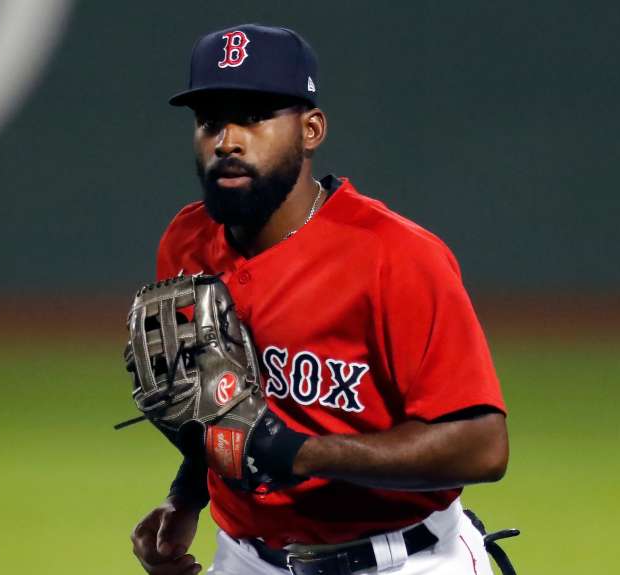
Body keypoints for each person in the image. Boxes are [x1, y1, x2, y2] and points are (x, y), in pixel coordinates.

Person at [131, 24, 509, 575]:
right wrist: (185, 496)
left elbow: (483, 447)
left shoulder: (396, 256)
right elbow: (221, 415)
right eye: (211, 121)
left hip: (403, 561)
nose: (228, 140)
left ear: (311, 130)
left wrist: (301, 453)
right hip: (245, 558)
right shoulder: (186, 242)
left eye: (255, 117)